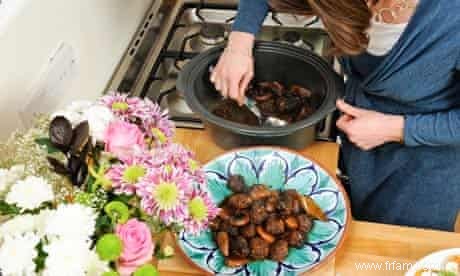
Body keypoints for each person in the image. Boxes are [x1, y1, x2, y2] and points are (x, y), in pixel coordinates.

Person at [210, 0, 460, 231]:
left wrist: (395, 129)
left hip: (425, 163)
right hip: (359, 142)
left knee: (390, 256)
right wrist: (239, 44)